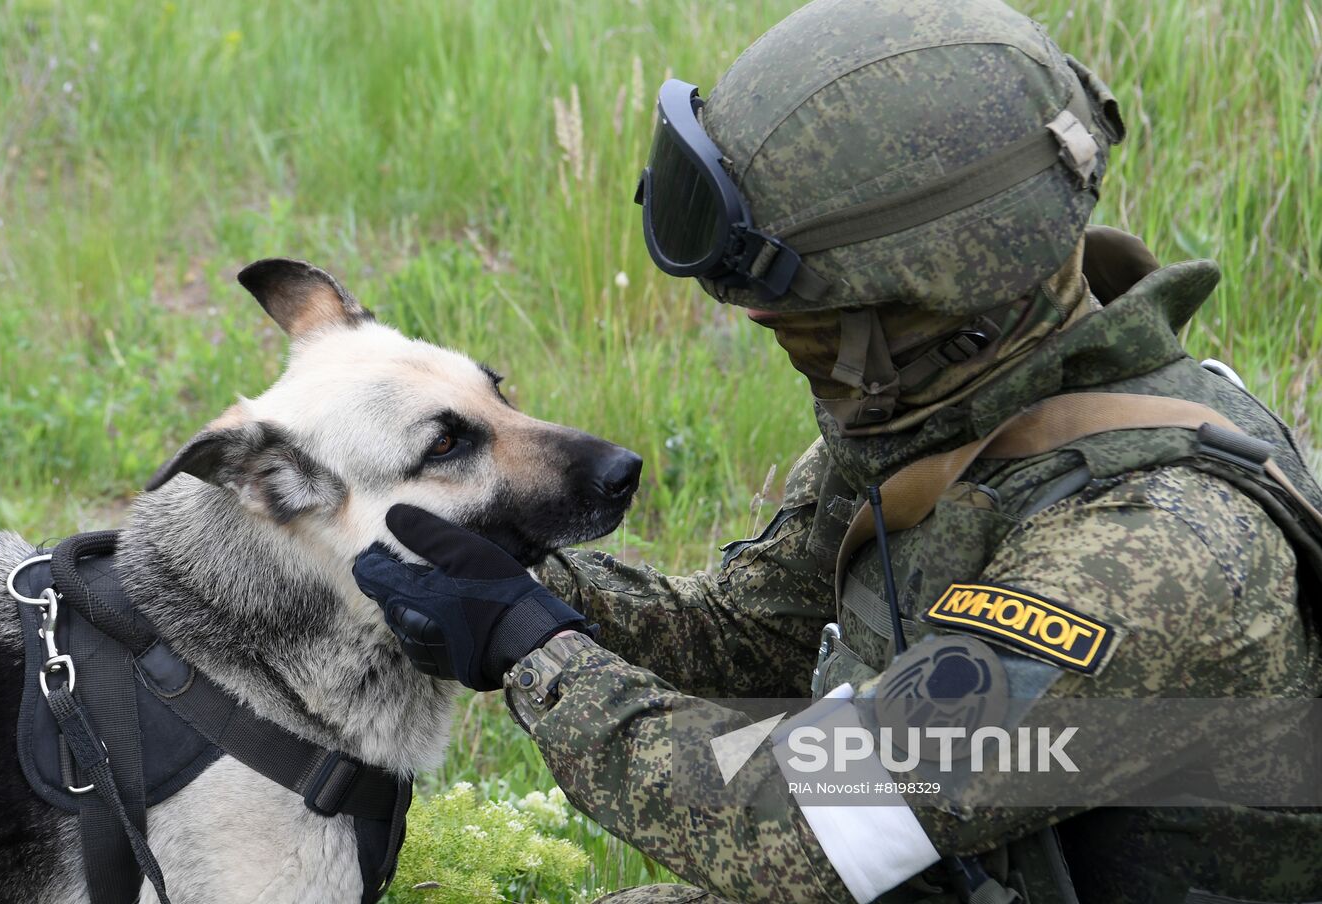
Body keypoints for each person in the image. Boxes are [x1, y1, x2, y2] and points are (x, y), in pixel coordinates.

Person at [353, 1, 1322, 901]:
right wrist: (521, 575)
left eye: (796, 305)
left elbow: (807, 818)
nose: (759, 320)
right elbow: (749, 640)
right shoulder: (940, 416)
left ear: (918, 307)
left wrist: (534, 651)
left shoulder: (1149, 553)